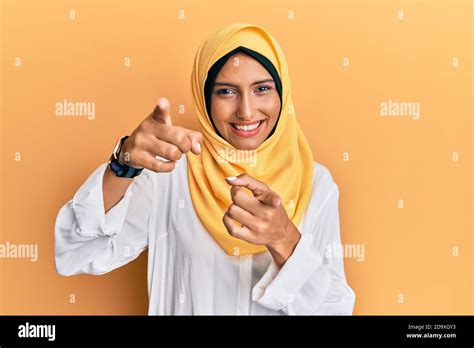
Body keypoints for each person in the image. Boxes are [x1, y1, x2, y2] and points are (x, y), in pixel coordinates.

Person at [54, 23, 356, 315]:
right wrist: (122, 166)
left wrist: (284, 238)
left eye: (262, 89)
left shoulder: (315, 183)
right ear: (204, 98)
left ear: (282, 93)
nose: (246, 111)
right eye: (226, 91)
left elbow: (335, 310)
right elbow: (75, 253)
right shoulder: (170, 172)